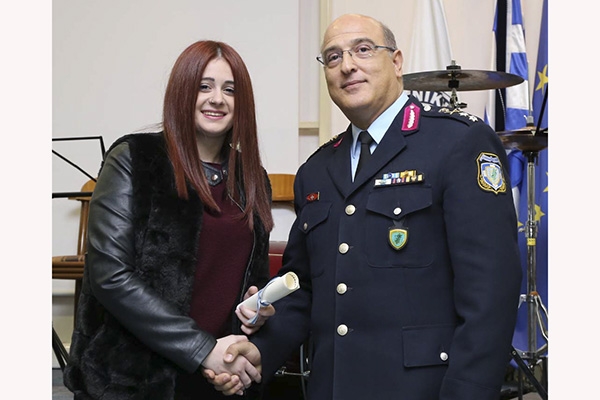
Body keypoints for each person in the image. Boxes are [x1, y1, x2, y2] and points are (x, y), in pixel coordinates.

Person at [207, 13, 523, 400]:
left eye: (363, 49)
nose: (347, 65)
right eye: (333, 56)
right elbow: (301, 289)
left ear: (397, 61)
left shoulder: (457, 142)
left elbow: (491, 293)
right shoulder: (316, 171)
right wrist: (260, 352)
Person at [63, 40, 275, 400]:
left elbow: (251, 280)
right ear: (182, 91)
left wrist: (257, 310)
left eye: (230, 90)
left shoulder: (253, 177)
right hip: (132, 379)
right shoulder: (133, 158)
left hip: (218, 375)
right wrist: (201, 348)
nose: (217, 99)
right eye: (204, 86)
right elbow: (109, 275)